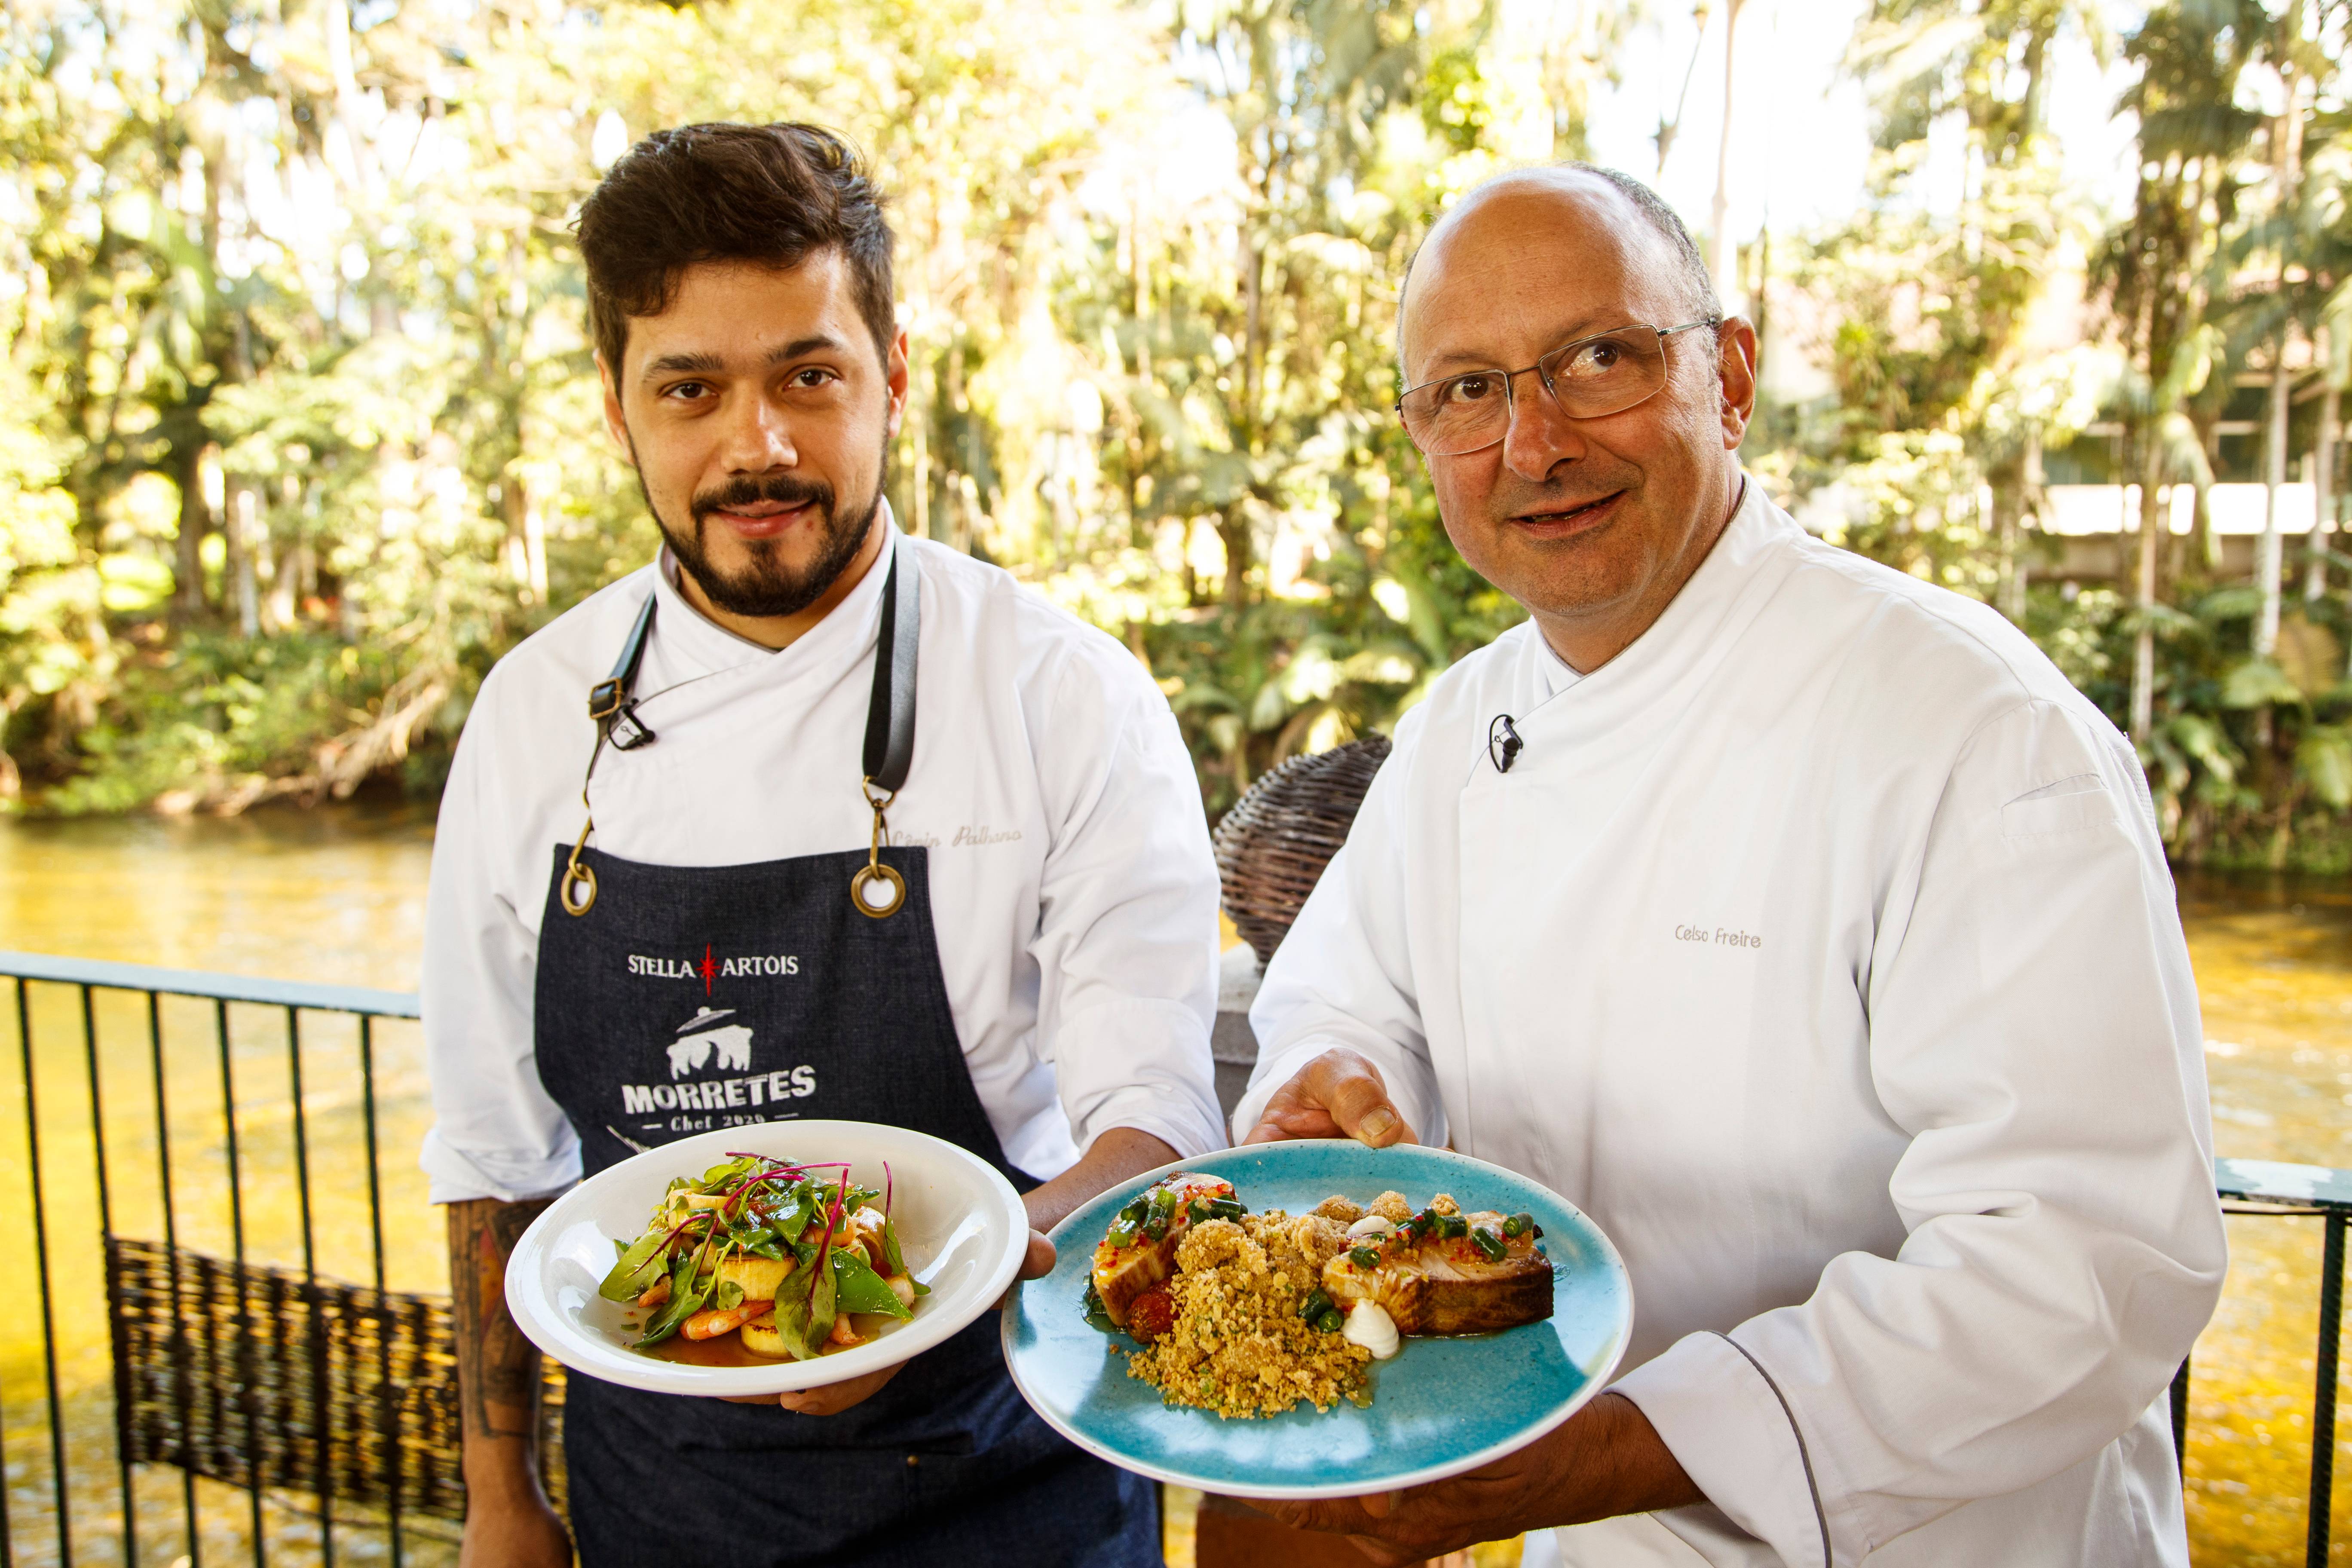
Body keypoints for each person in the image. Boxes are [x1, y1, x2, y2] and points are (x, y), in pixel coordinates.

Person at [1231, 162, 2227, 1568]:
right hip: (1599, 1529)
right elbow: (1345, 995)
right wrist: (1331, 1087)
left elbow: (2084, 1267)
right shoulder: (1463, 723)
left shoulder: (1974, 732)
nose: (1533, 442)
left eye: (1598, 361)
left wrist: (1626, 1446)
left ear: (1732, 377)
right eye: (1467, 390)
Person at [419, 121, 1223, 1568]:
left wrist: (929, 1288)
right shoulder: (534, 717)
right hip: (655, 1502)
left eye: (810, 375)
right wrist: (499, 1503)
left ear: (894, 374)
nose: (760, 445)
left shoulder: (1059, 694)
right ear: (618, 408)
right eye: (690, 389)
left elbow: (1152, 1128)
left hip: (1007, 1478)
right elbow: (495, 1157)